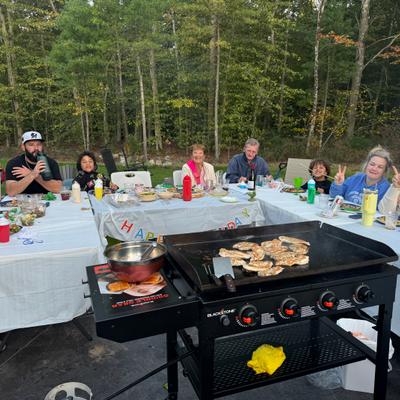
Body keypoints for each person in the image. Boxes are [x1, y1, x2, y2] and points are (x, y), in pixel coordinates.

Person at [5, 131, 62, 196]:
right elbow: (10, 191)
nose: (36, 148)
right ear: (23, 147)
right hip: (21, 202)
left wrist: (34, 175)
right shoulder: (14, 163)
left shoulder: (51, 163)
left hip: (47, 201)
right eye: (31, 145)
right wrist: (32, 174)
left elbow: (58, 188)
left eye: (39, 144)